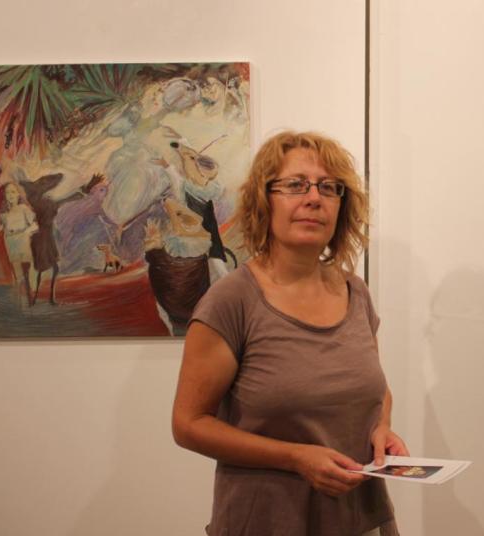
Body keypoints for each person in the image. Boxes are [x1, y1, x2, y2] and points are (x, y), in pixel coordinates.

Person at [172, 131, 408, 535]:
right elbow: (189, 423)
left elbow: (376, 389)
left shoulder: (355, 292)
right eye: (296, 185)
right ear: (264, 200)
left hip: (360, 520)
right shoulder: (232, 301)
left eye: (329, 187)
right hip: (267, 521)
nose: (314, 198)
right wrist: (295, 457)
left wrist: (380, 429)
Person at [0, 182, 39, 307]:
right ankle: (21, 302)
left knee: (26, 273)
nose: (10, 195)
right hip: (10, 242)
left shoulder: (24, 208)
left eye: (13, 192)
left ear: (18, 194)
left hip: (23, 241)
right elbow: (1, 227)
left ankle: (30, 299)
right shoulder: (5, 212)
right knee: (17, 275)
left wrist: (26, 232)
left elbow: (35, 225)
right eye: (8, 192)